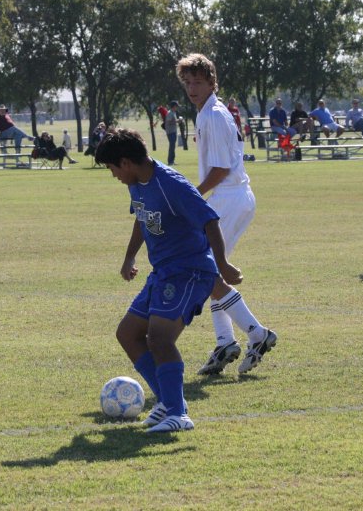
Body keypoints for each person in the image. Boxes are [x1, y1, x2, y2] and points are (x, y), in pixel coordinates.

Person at [95, 128, 241, 432]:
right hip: (162, 271)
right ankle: (168, 401)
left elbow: (209, 219)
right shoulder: (137, 183)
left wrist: (223, 264)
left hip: (189, 271)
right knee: (128, 334)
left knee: (159, 338)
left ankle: (178, 414)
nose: (113, 176)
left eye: (112, 169)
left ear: (126, 163)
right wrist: (129, 257)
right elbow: (141, 216)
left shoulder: (171, 185)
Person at [177, 53, 278, 375]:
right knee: (208, 273)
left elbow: (220, 169)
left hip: (229, 197)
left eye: (198, 82)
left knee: (205, 272)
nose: (192, 88)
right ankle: (226, 342)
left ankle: (257, 334)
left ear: (211, 82)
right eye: (187, 82)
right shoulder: (207, 113)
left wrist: (190, 196)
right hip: (229, 197)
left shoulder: (214, 116)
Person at [164, 101, 179, 165]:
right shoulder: (170, 113)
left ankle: (172, 161)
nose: (177, 108)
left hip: (173, 131)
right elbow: (169, 122)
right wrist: (177, 121)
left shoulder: (173, 113)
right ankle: (170, 161)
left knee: (173, 146)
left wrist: (177, 121)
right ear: (174, 106)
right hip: (171, 132)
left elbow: (173, 121)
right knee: (172, 146)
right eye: (176, 106)